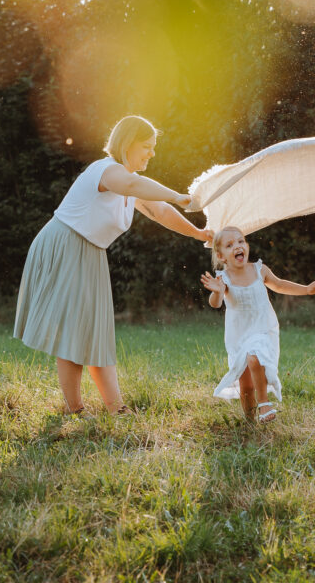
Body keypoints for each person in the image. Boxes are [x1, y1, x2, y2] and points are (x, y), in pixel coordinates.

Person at [14, 115, 213, 415]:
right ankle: (75, 410)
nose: (152, 153)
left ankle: (115, 408)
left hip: (90, 251)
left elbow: (161, 212)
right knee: (74, 330)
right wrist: (178, 195)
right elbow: (134, 184)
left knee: (96, 331)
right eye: (147, 146)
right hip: (67, 243)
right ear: (127, 143)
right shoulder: (106, 170)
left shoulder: (130, 189)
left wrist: (198, 233)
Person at [200, 226, 315, 424]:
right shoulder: (223, 279)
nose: (237, 247)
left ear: (247, 246)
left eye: (241, 241)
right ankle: (250, 423)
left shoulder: (259, 269)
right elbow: (215, 304)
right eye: (230, 245)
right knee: (246, 386)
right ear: (221, 255)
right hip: (238, 336)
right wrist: (216, 292)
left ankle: (264, 403)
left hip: (263, 329)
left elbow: (280, 285)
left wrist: (307, 290)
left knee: (255, 356)